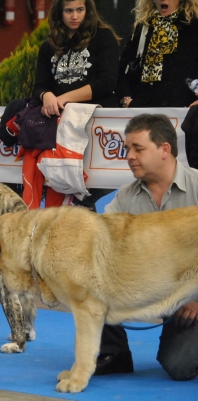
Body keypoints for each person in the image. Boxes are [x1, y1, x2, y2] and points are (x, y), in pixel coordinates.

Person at [96, 114, 198, 380]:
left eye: (137, 148)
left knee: (179, 367)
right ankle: (113, 353)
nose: (128, 156)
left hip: (193, 297)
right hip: (156, 293)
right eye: (127, 148)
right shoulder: (125, 197)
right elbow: (98, 243)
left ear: (164, 149)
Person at [33, 0, 120, 210]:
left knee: (88, 190)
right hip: (60, 127)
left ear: (88, 11)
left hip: (96, 125)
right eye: (69, 11)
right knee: (65, 191)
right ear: (60, 13)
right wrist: (46, 96)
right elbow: (38, 86)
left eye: (79, 10)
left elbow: (107, 83)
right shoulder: (49, 46)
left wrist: (64, 98)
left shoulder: (103, 38)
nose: (74, 16)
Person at [116, 0, 198, 109]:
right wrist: (126, 100)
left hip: (184, 110)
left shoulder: (193, 26)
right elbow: (121, 69)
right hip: (145, 110)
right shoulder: (144, 27)